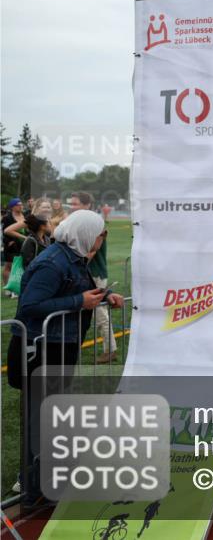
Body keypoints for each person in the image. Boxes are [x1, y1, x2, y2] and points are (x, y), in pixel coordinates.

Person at [8, 209, 124, 507]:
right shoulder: (53, 261)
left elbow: (76, 290)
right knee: (40, 420)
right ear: (85, 233)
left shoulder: (71, 257)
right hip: (41, 349)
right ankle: (33, 492)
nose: (100, 242)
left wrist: (103, 295)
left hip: (60, 345)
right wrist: (79, 301)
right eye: (99, 235)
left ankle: (49, 485)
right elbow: (29, 307)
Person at [68, 192, 116, 363]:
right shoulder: (82, 221)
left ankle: (110, 350)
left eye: (75, 204)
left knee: (99, 312)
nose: (72, 207)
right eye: (71, 204)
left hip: (94, 273)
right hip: (86, 273)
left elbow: (92, 251)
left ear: (87, 205)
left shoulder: (95, 223)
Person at [3, 198, 26, 291]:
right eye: (18, 205)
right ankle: (8, 287)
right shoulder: (7, 218)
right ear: (12, 207)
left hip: (24, 244)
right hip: (11, 245)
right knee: (9, 266)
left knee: (21, 265)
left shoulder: (26, 215)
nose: (21, 206)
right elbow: (4, 231)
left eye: (21, 204)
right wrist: (9, 242)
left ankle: (18, 286)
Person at [20, 204, 53, 269]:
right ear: (42, 227)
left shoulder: (47, 239)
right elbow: (27, 264)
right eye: (48, 222)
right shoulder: (30, 241)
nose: (50, 224)